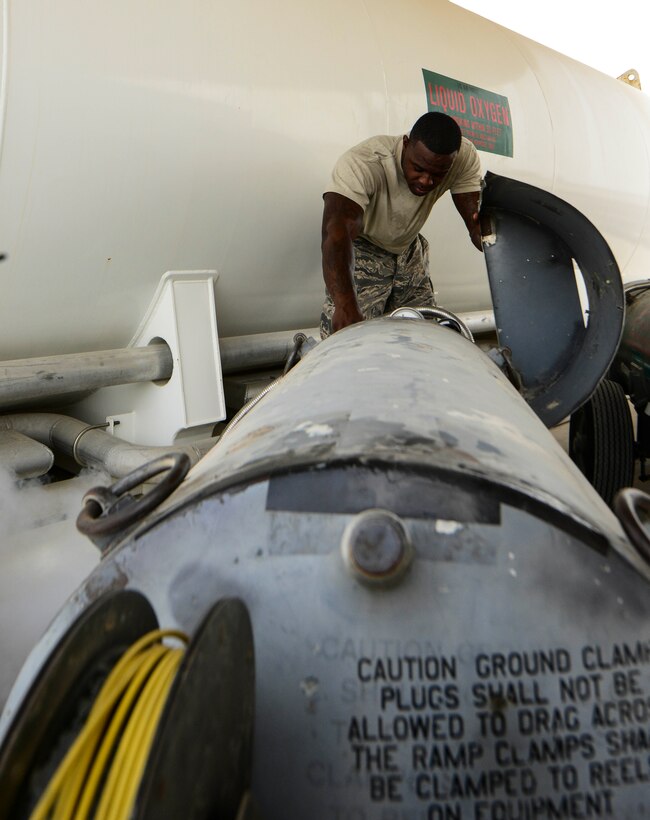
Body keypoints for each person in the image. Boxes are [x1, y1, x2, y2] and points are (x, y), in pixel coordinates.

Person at [320, 112, 483, 338]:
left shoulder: (463, 156)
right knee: (349, 340)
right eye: (418, 168)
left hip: (408, 249)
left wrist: (486, 235)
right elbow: (335, 232)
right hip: (363, 249)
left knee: (426, 337)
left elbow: (478, 224)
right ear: (406, 144)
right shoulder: (364, 163)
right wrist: (344, 303)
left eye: (438, 174)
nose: (426, 180)